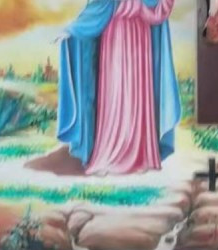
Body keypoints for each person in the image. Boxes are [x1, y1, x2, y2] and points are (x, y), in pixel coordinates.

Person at [56, 0, 181, 175]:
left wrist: (138, 7)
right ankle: (108, 153)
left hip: (139, 36)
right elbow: (99, 6)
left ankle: (141, 155)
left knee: (137, 97)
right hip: (114, 35)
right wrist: (74, 29)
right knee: (113, 96)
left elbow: (160, 6)